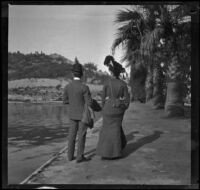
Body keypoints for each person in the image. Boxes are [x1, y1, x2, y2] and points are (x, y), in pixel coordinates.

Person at [96, 55, 130, 159]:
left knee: (105, 130)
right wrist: (123, 107)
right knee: (116, 130)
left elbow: (102, 99)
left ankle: (104, 153)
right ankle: (116, 153)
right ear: (119, 72)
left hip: (108, 108)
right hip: (118, 109)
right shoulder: (123, 84)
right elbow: (127, 101)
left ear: (111, 72)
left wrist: (104, 108)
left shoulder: (107, 83)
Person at [63, 57, 92, 163]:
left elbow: (65, 101)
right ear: (82, 74)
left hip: (72, 115)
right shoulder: (85, 87)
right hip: (82, 115)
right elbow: (89, 102)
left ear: (72, 74)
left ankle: (69, 157)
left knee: (71, 136)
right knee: (82, 135)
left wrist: (73, 103)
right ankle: (79, 157)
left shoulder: (67, 87)